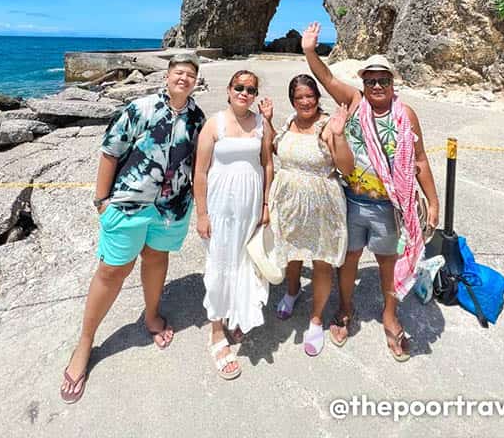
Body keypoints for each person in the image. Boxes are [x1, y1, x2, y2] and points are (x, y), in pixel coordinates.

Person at [59, 52, 207, 404]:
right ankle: (85, 344)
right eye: (178, 72)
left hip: (171, 209)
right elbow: (110, 152)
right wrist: (101, 201)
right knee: (112, 271)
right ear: (168, 76)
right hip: (129, 204)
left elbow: (201, 163)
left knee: (156, 259)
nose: (183, 79)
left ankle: (152, 315)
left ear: (196, 80)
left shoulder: (198, 118)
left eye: (190, 74)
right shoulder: (139, 108)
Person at [301, 22, 440, 362]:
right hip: (352, 200)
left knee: (388, 262)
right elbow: (327, 79)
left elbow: (419, 160)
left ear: (394, 83)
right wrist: (309, 51)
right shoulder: (355, 102)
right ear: (363, 83)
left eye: (384, 80)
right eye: (371, 80)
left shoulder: (406, 114)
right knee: (349, 259)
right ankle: (346, 308)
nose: (377, 85)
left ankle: (390, 316)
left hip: (390, 206)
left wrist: (433, 203)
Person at [260, 75, 355, 357]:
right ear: (292, 100)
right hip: (288, 200)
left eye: (310, 95)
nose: (305, 101)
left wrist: (338, 135)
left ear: (317, 97)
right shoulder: (289, 123)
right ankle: (292, 292)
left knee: (321, 261)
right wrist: (267, 120)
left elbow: (347, 168)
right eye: (299, 97)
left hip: (322, 205)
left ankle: (315, 319)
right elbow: (273, 148)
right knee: (291, 254)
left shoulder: (327, 126)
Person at [193, 69, 273, 380]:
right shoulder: (215, 124)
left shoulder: (260, 124)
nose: (244, 93)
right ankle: (216, 330)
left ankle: (238, 312)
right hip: (220, 207)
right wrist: (202, 213)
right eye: (239, 87)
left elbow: (267, 164)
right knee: (220, 263)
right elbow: (199, 173)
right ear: (229, 90)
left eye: (250, 89)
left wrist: (265, 204)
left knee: (244, 262)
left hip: (250, 207)